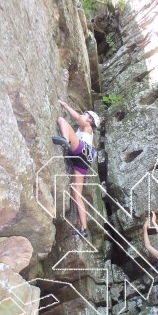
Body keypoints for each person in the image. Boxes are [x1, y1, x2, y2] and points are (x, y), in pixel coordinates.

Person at [52, 100, 100, 237]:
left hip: (79, 151)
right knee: (76, 194)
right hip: (82, 163)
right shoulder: (89, 135)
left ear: (90, 120)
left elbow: (77, 118)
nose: (82, 115)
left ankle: (65, 140)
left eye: (86, 114)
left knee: (62, 120)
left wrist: (65, 105)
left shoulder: (88, 127)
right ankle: (84, 229)